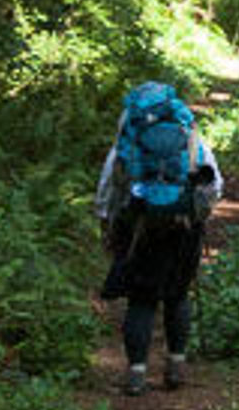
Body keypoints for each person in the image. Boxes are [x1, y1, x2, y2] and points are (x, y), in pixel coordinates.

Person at [93, 74, 223, 391]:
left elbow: (109, 187)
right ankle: (176, 366)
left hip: (139, 227)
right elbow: (214, 185)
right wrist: (196, 214)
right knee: (177, 295)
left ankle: (136, 373)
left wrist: (107, 222)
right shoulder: (191, 137)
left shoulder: (129, 139)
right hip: (183, 228)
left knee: (141, 299)